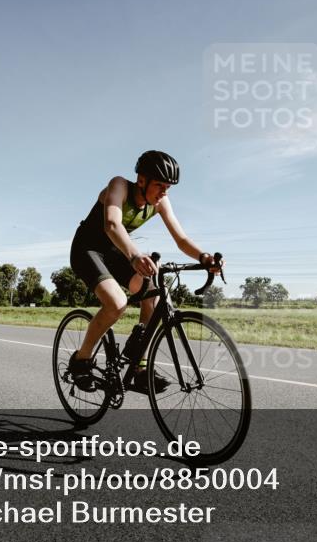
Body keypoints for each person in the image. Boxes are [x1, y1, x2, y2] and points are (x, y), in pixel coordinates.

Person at [68, 150, 222, 392]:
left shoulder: (160, 203)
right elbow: (111, 224)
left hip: (117, 251)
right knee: (117, 303)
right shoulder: (119, 186)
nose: (164, 192)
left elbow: (181, 239)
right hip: (87, 249)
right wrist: (135, 255)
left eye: (168, 187)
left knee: (155, 295)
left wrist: (204, 257)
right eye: (159, 185)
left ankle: (139, 367)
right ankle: (81, 361)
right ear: (142, 180)